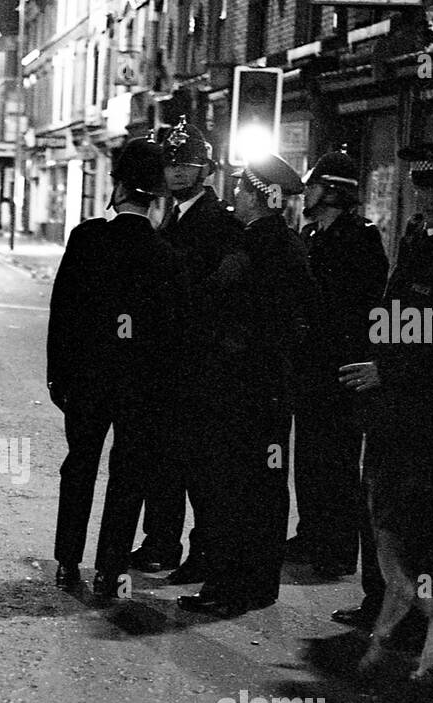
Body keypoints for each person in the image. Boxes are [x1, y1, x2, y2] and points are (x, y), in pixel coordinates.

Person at [334, 142, 433, 630]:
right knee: (377, 509)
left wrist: (388, 370)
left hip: (423, 410)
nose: (425, 194)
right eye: (420, 184)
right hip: (390, 406)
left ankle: (412, 617)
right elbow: (396, 317)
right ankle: (378, 601)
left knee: (415, 519)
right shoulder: (415, 238)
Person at [178, 154, 317, 618]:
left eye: (241, 190)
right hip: (257, 389)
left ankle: (239, 585)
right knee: (251, 488)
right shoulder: (268, 243)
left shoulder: (270, 248)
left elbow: (268, 321)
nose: (234, 196)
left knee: (242, 490)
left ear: (259, 196)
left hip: (250, 392)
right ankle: (242, 582)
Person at [48, 137, 184, 598]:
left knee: (80, 466)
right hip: (140, 386)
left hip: (87, 378)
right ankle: (110, 569)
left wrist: (57, 374)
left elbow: (63, 313)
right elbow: (169, 332)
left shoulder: (87, 238)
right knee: (128, 475)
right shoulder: (164, 253)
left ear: (119, 185)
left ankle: (68, 559)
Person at [131, 117, 243, 585]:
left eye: (186, 165)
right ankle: (160, 542)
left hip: (200, 364)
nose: (175, 172)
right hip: (166, 362)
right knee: (162, 460)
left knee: (201, 468)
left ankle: (204, 551)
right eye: (170, 163)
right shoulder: (168, 217)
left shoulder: (220, 223)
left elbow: (219, 295)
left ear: (207, 171)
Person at [293, 150, 388, 579]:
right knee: (309, 458)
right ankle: (312, 532)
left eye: (313, 185)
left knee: (337, 462)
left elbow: (362, 308)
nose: (306, 192)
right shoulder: (313, 236)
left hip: (342, 368)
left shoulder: (360, 238)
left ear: (331, 191)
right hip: (311, 367)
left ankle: (336, 546)